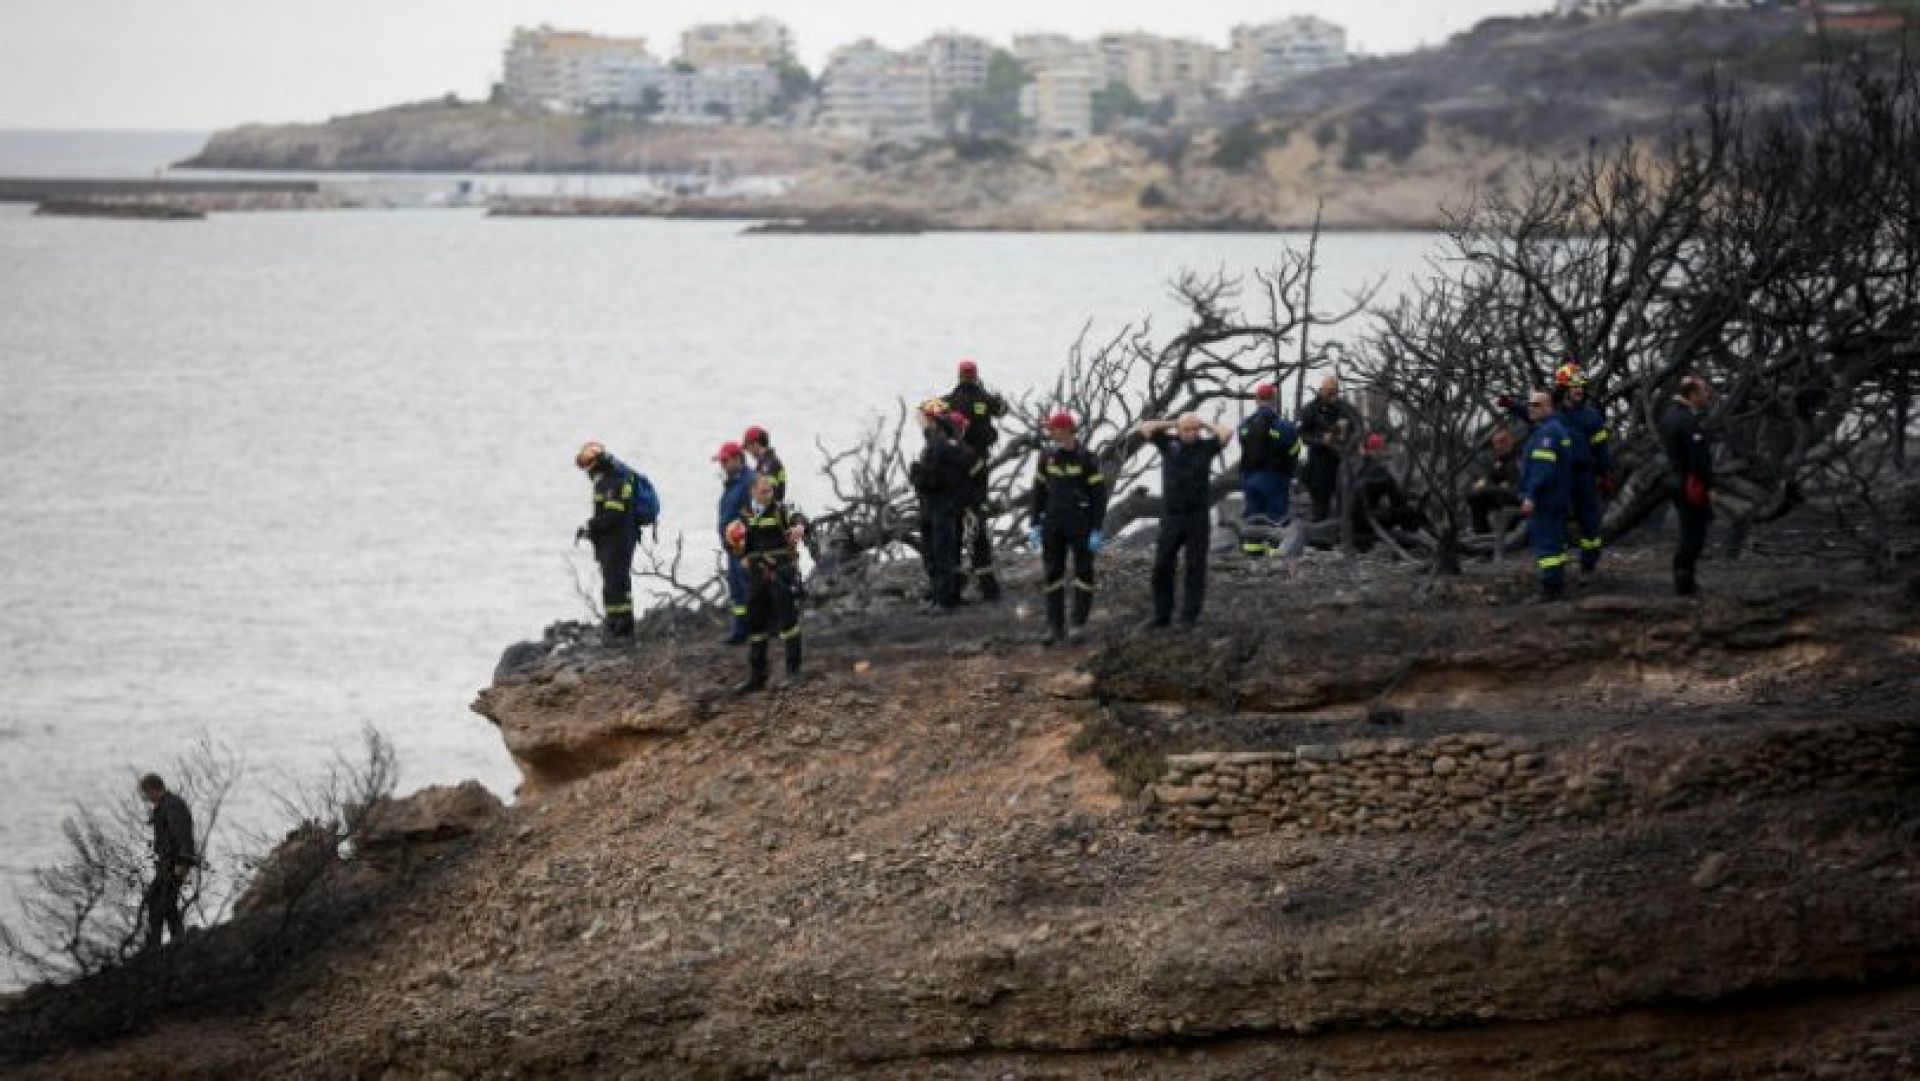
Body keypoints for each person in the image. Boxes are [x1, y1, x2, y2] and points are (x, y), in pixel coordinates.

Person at [1138, 414, 1232, 628]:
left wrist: (1205, 422)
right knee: (1162, 565)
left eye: (1194, 429)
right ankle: (1161, 614)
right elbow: (1145, 427)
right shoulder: (1169, 443)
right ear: (1179, 431)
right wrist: (1174, 423)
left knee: (1195, 566)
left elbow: (1227, 433)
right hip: (1172, 515)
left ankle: (1189, 616)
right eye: (1187, 429)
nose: (1191, 433)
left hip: (1197, 516)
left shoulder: (1206, 446)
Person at [1028, 413, 1107, 646]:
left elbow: (1099, 497)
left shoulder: (1087, 459)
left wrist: (1097, 529)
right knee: (1052, 574)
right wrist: (1034, 523)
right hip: (1053, 524)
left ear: (1066, 430)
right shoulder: (1046, 457)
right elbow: (1038, 491)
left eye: (1053, 429)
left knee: (1083, 574)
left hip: (1081, 525)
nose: (1050, 433)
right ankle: (1055, 627)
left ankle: (1078, 624)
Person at [726, 473, 808, 693]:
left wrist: (799, 528)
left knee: (788, 622)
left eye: (770, 490)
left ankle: (794, 673)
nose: (769, 494)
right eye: (764, 491)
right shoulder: (745, 515)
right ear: (752, 491)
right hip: (757, 578)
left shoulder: (781, 509)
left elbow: (797, 517)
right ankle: (757, 676)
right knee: (756, 624)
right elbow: (741, 546)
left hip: (781, 574)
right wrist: (737, 548)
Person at [945, 360, 1009, 601]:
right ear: (975, 376)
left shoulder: (950, 400)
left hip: (955, 468)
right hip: (979, 467)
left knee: (956, 524)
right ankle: (987, 585)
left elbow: (931, 413)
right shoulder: (984, 399)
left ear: (959, 375)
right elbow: (1002, 410)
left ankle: (953, 585)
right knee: (978, 520)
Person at [909, 402, 974, 613]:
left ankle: (945, 600)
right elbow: (925, 477)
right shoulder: (934, 449)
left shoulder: (952, 448)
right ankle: (937, 596)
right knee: (930, 555)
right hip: (929, 507)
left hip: (944, 509)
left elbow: (940, 471)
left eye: (932, 424)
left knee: (943, 554)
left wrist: (928, 429)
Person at [1554, 363, 1615, 577]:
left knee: (1590, 522)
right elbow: (1530, 413)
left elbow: (1601, 448)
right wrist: (1510, 404)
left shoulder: (1592, 416)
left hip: (1584, 476)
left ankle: (1588, 566)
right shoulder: (1554, 415)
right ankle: (1556, 571)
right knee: (1556, 521)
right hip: (1560, 476)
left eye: (1581, 385)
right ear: (1563, 388)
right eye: (1573, 385)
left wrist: (1606, 474)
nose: (1579, 389)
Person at [574, 441, 637, 640]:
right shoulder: (606, 482)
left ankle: (622, 627)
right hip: (611, 543)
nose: (586, 471)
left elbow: (613, 516)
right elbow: (607, 516)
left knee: (616, 586)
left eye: (587, 464)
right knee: (613, 585)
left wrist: (590, 526)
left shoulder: (613, 483)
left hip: (617, 543)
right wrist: (592, 531)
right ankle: (615, 622)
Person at [1660, 375, 1715, 597]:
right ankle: (1685, 582)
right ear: (1692, 394)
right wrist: (1709, 486)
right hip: (1691, 484)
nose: (1707, 396)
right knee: (1693, 534)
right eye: (1703, 392)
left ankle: (1684, 578)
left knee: (1688, 530)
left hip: (1676, 480)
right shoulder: (1687, 421)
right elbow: (1698, 461)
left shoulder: (1669, 415)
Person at [1518, 391, 1575, 602]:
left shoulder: (1547, 434)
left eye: (1536, 404)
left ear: (1548, 407)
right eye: (1529, 404)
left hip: (1546, 499)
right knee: (1555, 545)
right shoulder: (1554, 429)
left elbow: (1543, 469)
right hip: (1556, 497)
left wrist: (1531, 495)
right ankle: (1556, 586)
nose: (1531, 408)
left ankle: (1549, 589)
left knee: (1546, 544)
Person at [1236, 383, 1303, 558]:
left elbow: (1243, 444)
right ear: (1274, 400)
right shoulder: (1283, 426)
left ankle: (1253, 554)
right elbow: (1295, 449)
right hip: (1275, 477)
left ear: (1256, 400)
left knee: (1253, 516)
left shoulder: (1245, 425)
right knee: (1277, 517)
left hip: (1250, 478)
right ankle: (1276, 555)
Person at [139, 773, 194, 951]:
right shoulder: (165, 806)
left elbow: (181, 835)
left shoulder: (171, 806)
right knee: (159, 900)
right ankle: (176, 941)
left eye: (146, 793)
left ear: (152, 789)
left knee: (161, 902)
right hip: (167, 863)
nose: (147, 798)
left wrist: (182, 863)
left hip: (175, 862)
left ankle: (160, 946)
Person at [1348, 433, 1427, 550]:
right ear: (1379, 451)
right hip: (1366, 521)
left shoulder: (1353, 466)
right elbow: (1398, 500)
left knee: (1396, 511)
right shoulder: (1381, 471)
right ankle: (1408, 543)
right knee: (1408, 511)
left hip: (1349, 519)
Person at [715, 441, 755, 644]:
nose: (722, 465)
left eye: (725, 460)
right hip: (733, 547)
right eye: (721, 461)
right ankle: (740, 631)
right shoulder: (733, 482)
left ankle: (755, 629)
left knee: (749, 587)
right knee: (737, 590)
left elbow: (754, 515)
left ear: (738, 459)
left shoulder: (749, 482)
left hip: (745, 547)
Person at [1297, 376, 1350, 522]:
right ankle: (1321, 538)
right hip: (1319, 461)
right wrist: (1321, 440)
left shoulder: (1343, 408)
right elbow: (1302, 435)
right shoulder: (1310, 409)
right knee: (1321, 503)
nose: (1333, 396)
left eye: (1336, 392)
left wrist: (1345, 436)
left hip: (1341, 461)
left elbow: (1354, 429)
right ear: (1322, 390)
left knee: (1344, 501)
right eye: (1330, 392)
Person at [1466, 426, 1523, 535]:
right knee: (1475, 496)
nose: (1499, 446)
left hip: (1523, 496)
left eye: (1503, 441)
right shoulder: (1497, 460)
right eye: (1496, 443)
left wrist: (1501, 486)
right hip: (1503, 494)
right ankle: (1481, 534)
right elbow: (1487, 477)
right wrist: (1487, 483)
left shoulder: (1522, 455)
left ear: (1512, 439)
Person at [742, 426, 787, 504]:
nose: (748, 451)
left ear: (755, 444)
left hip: (769, 513)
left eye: (747, 447)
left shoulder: (769, 464)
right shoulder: (766, 462)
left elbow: (766, 491)